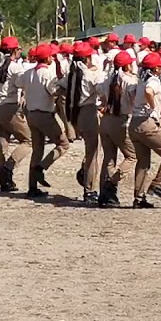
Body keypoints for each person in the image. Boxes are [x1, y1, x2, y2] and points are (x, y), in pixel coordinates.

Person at [129, 52, 161, 208]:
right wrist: (152, 107)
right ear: (156, 68)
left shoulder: (140, 80)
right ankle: (157, 184)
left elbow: (132, 93)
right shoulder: (152, 81)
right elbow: (149, 92)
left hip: (134, 122)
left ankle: (139, 198)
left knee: (143, 163)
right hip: (146, 123)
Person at [19, 44, 68, 198]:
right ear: (47, 58)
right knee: (63, 144)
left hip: (31, 113)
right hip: (44, 114)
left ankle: (32, 186)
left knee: (37, 149)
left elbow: (18, 83)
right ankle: (42, 167)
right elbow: (54, 92)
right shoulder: (47, 74)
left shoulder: (28, 73)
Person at [0, 36, 30, 192]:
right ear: (14, 50)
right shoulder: (15, 67)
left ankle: (2, 178)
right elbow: (21, 84)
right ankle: (9, 167)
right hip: (9, 106)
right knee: (27, 140)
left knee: (1, 141)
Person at [96, 51, 137, 207]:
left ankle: (105, 195)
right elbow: (134, 101)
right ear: (127, 65)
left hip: (106, 119)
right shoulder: (130, 81)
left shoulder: (108, 79)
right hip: (121, 120)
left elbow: (99, 92)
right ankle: (111, 184)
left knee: (109, 158)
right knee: (132, 156)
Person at [66, 41, 105, 203]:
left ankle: (85, 173)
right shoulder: (90, 75)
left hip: (74, 113)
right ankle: (89, 189)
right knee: (93, 152)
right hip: (88, 111)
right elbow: (103, 92)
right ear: (88, 58)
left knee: (90, 150)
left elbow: (58, 87)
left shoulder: (72, 74)